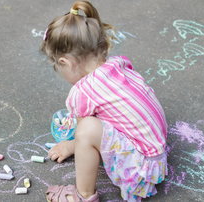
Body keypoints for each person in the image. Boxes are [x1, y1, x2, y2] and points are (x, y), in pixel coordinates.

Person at [41, 1, 168, 201]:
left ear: (66, 62)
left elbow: (85, 134)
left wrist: (71, 144)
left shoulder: (83, 91)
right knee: (94, 122)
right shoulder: (119, 64)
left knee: (86, 128)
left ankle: (83, 195)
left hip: (141, 170)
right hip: (157, 157)